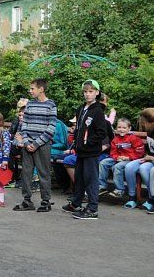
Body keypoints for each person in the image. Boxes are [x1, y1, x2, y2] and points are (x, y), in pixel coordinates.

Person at [61, 79, 108, 220]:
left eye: (91, 92)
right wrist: (76, 142)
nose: (88, 94)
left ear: (97, 93)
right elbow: (79, 129)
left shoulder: (98, 111)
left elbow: (101, 132)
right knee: (79, 178)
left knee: (90, 179)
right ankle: (76, 203)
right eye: (85, 92)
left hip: (91, 152)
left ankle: (93, 209)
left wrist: (88, 143)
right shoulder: (82, 108)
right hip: (80, 150)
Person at [13, 78, 56, 212]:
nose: (30, 91)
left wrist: (36, 143)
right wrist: (26, 142)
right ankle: (27, 201)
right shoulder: (30, 104)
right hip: (28, 144)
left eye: (32, 88)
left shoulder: (51, 105)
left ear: (41, 89)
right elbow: (23, 124)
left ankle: (45, 201)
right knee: (26, 173)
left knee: (43, 173)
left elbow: (51, 128)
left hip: (42, 145)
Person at [123, 108, 154, 210]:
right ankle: (132, 197)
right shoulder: (149, 130)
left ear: (149, 122)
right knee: (129, 167)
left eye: (143, 122)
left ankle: (153, 198)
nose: (142, 125)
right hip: (149, 158)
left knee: (144, 169)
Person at [98, 118, 144, 198]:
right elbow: (113, 152)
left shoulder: (134, 139)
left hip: (130, 160)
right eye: (119, 127)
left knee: (117, 167)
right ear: (116, 128)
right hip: (118, 158)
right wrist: (117, 157)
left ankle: (119, 190)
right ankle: (102, 186)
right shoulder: (115, 139)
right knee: (103, 162)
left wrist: (128, 157)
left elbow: (139, 152)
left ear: (129, 128)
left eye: (124, 128)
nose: (121, 129)